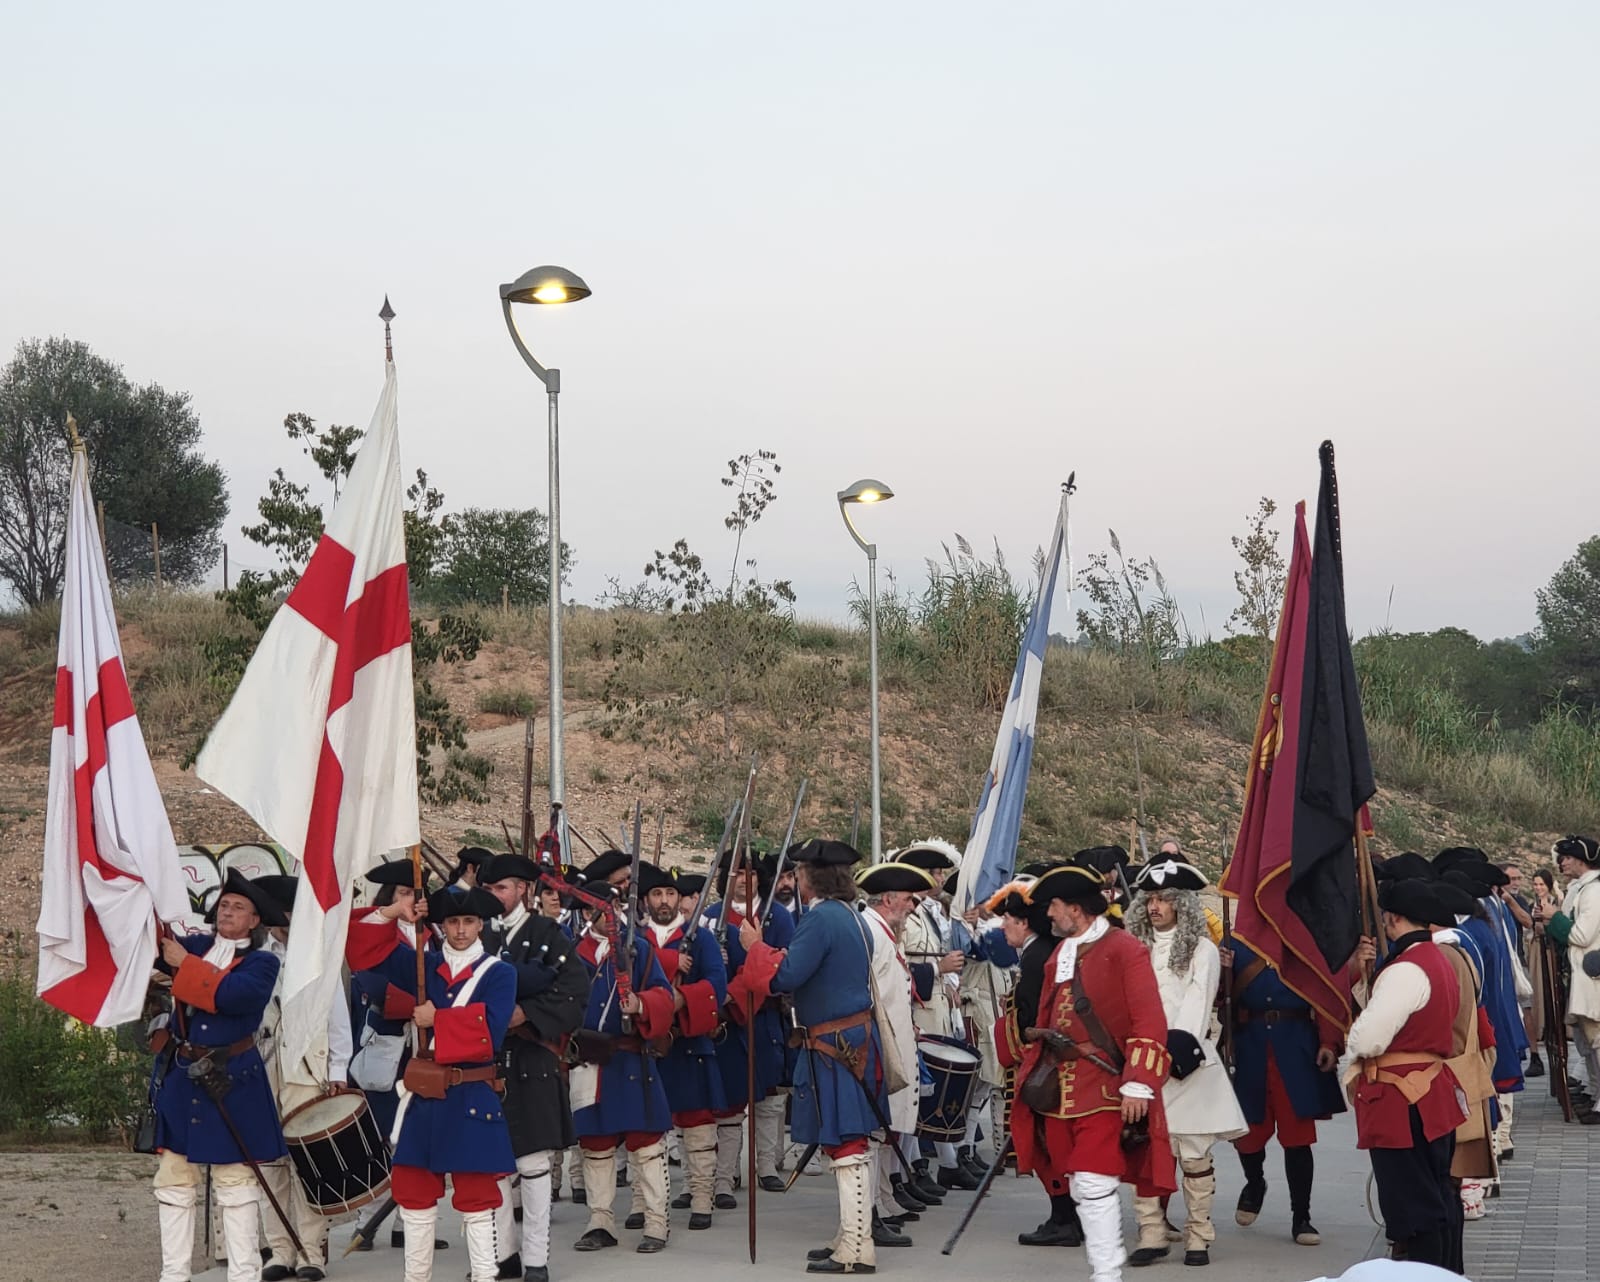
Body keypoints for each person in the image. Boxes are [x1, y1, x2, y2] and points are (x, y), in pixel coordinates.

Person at [999, 863, 1176, 1282]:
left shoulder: (1125, 948)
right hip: (1059, 1090)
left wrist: (1139, 1083)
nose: (1050, 916)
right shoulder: (1061, 952)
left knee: (1095, 1183)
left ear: (1075, 909)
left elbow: (1149, 1020)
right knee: (1078, 1184)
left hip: (1106, 1085)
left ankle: (1106, 1275)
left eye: (1055, 907)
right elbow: (1048, 1014)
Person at [345, 882, 517, 1282]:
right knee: (415, 1197)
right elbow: (360, 947)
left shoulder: (499, 973)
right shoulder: (421, 964)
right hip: (425, 1098)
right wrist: (394, 912)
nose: (460, 930)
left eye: (469, 921)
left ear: (480, 925)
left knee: (476, 1200)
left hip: (472, 1093)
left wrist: (435, 1018)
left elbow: (488, 1032)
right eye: (453, 921)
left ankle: (485, 1277)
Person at [733, 839, 889, 1276]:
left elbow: (786, 977)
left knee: (847, 1144)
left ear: (810, 877)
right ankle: (852, 1236)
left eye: (799, 872)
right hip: (846, 1038)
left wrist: (756, 948)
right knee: (845, 1141)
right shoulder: (851, 918)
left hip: (833, 1044)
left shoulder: (821, 919)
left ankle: (858, 1248)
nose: (796, 878)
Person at [150, 869, 289, 1282]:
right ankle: (173, 1275)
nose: (227, 912)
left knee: (237, 1182)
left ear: (254, 921)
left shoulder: (262, 963)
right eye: (224, 904)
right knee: (174, 1180)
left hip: (235, 1079)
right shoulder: (195, 946)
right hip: (183, 1075)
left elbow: (233, 997)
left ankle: (243, 1275)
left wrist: (185, 965)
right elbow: (151, 944)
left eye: (238, 907)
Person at [1124, 859, 1247, 1268]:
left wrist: (1174, 1051)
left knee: (1193, 1156)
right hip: (1141, 1063)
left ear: (1182, 904)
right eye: (1151, 899)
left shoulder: (1202, 949)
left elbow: (1197, 1004)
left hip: (1185, 1060)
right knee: (1143, 1150)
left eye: (1164, 899)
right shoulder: (1133, 948)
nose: (1155, 906)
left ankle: (1199, 1236)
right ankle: (1152, 1232)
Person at [1345, 878, 1467, 1269]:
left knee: (1414, 1211)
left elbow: (1368, 1038)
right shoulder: (1437, 960)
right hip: (1428, 1093)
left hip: (1402, 1102)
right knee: (1437, 1200)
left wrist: (1353, 1041)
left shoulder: (1407, 969)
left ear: (1393, 918)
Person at [481, 853, 590, 1282]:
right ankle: (501, 1254)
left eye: (502, 888)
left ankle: (536, 1259)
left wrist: (526, 1014)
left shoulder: (548, 933)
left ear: (523, 889)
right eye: (488, 890)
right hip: (486, 1063)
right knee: (493, 1166)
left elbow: (575, 992)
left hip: (534, 1057)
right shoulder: (476, 935)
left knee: (533, 1164)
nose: (494, 897)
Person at [567, 859, 678, 1254]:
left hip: (631, 1059)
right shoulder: (570, 953)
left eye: (610, 909)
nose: (606, 916)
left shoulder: (639, 949)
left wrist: (641, 1005)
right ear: (585, 912)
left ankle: (657, 1222)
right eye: (598, 910)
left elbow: (666, 997)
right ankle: (600, 1222)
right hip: (588, 1061)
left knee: (646, 1144)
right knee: (595, 1144)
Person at [251, 874, 352, 1282]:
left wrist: (340, 1070)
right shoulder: (257, 957)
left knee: (307, 1166)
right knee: (269, 1165)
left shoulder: (318, 959)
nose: (286, 921)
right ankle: (280, 1251)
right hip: (263, 1070)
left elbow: (338, 1019)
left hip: (309, 1072)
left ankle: (313, 1254)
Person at [1224, 924, 1346, 1246]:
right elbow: (1218, 999)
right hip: (1250, 1046)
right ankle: (1255, 1182)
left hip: (1296, 1047)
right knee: (1247, 1136)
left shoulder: (1308, 938)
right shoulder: (1235, 939)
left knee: (1297, 1138)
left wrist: (1330, 1043)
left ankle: (1301, 1216)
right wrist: (1221, 970)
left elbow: (1326, 994)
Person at [628, 862, 726, 1231]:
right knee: (642, 1127)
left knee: (697, 1123)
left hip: (687, 1042)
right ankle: (643, 1199)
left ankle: (702, 1196)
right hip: (644, 1044)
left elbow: (717, 983)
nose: (665, 900)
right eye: (657, 894)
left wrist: (683, 998)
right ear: (646, 900)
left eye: (670, 893)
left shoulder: (699, 939)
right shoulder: (634, 941)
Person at [988, 877, 1082, 1248]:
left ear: (1023, 923)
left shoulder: (1036, 957)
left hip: (1042, 1065)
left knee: (1045, 1142)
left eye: (1007, 919)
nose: (1002, 926)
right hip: (1056, 1062)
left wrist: (1008, 1027)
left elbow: (1030, 1021)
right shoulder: (1047, 949)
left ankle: (1064, 1218)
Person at [703, 858, 797, 1205]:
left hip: (764, 1016)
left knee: (769, 1096)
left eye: (750, 872)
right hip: (723, 1017)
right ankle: (725, 1176)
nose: (742, 880)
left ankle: (766, 1167)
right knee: (728, 1099)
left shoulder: (777, 916)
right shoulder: (710, 914)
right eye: (734, 873)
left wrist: (746, 987)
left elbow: (781, 963)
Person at [858, 861, 943, 1244]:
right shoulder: (871, 934)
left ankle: (882, 1201)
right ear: (890, 899)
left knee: (887, 1131)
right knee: (875, 1133)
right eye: (909, 899)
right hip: (879, 1048)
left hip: (895, 1045)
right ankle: (869, 1213)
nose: (913, 907)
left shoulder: (885, 934)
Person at [893, 841, 973, 1192]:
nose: (941, 878)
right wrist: (938, 969)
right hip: (919, 1010)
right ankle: (913, 1168)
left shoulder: (930, 911)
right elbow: (900, 965)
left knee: (928, 1097)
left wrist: (947, 977)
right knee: (916, 1097)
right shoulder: (908, 917)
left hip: (936, 1008)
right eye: (936, 872)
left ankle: (929, 1165)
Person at [1541, 835, 1600, 1118]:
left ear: (1580, 860)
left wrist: (1555, 918)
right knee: (1588, 1043)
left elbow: (1580, 935)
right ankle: (1595, 1093)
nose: (1561, 863)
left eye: (1566, 858)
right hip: (1584, 977)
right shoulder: (1584, 889)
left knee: (1598, 1041)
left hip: (1594, 978)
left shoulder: (1594, 891)